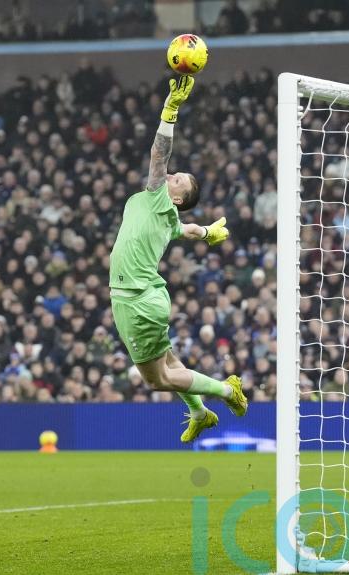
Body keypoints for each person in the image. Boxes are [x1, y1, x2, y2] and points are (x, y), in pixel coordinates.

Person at [108, 75, 247, 443]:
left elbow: (158, 154)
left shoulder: (158, 199)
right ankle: (200, 413)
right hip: (137, 296)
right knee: (170, 364)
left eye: (178, 181)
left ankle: (225, 391)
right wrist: (206, 232)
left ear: (177, 199)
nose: (170, 176)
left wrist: (170, 110)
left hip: (137, 299)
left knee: (157, 380)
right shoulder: (167, 217)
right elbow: (185, 230)